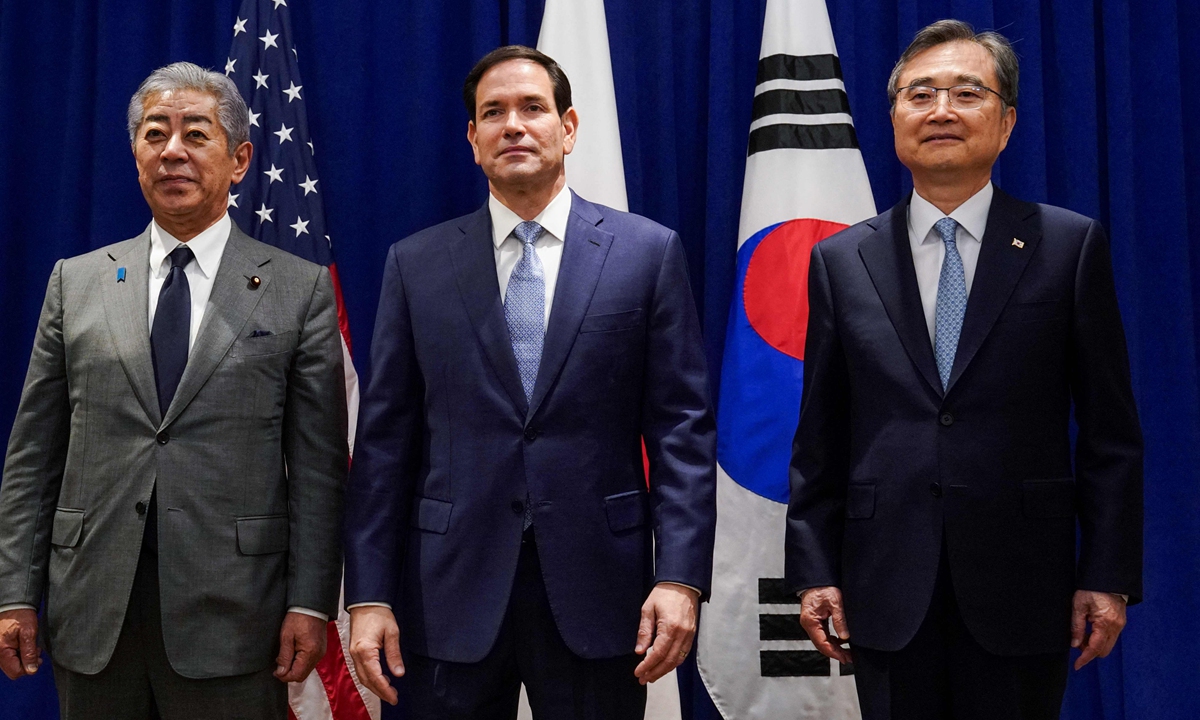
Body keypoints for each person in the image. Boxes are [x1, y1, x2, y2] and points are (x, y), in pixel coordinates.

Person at [343, 45, 716, 719]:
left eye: (532, 108)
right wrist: (368, 594)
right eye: (493, 113)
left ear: (567, 128)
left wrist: (681, 577)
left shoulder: (646, 253)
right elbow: (384, 446)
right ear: (472, 138)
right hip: (447, 593)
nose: (513, 125)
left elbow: (681, 434)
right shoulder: (416, 264)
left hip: (600, 589)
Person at [785, 20, 1143, 720]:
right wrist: (814, 570)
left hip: (1024, 581)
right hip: (884, 582)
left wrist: (1108, 573)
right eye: (920, 94)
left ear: (1006, 123)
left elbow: (1111, 433)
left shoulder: (1068, 246)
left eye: (967, 93)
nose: (941, 110)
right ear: (894, 119)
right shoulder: (841, 260)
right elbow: (819, 436)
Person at [0, 62, 347, 719]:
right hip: (94, 610)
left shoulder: (297, 289)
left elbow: (318, 469)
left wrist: (310, 601)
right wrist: (13, 591)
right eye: (155, 134)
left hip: (235, 616)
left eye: (196, 133)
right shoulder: (76, 282)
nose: (173, 151)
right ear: (136, 155)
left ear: (240, 160)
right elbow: (32, 457)